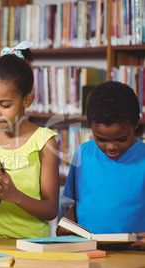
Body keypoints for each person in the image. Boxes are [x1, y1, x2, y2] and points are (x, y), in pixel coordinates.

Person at [0, 41, 60, 239]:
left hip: (30, 246)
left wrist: (15, 196)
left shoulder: (45, 142)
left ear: (27, 101)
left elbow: (51, 210)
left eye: (4, 105)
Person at [56, 81, 145, 250]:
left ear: (136, 124)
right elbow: (80, 204)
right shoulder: (82, 154)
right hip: (89, 250)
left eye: (121, 139)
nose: (111, 147)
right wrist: (65, 225)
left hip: (134, 253)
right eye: (101, 139)